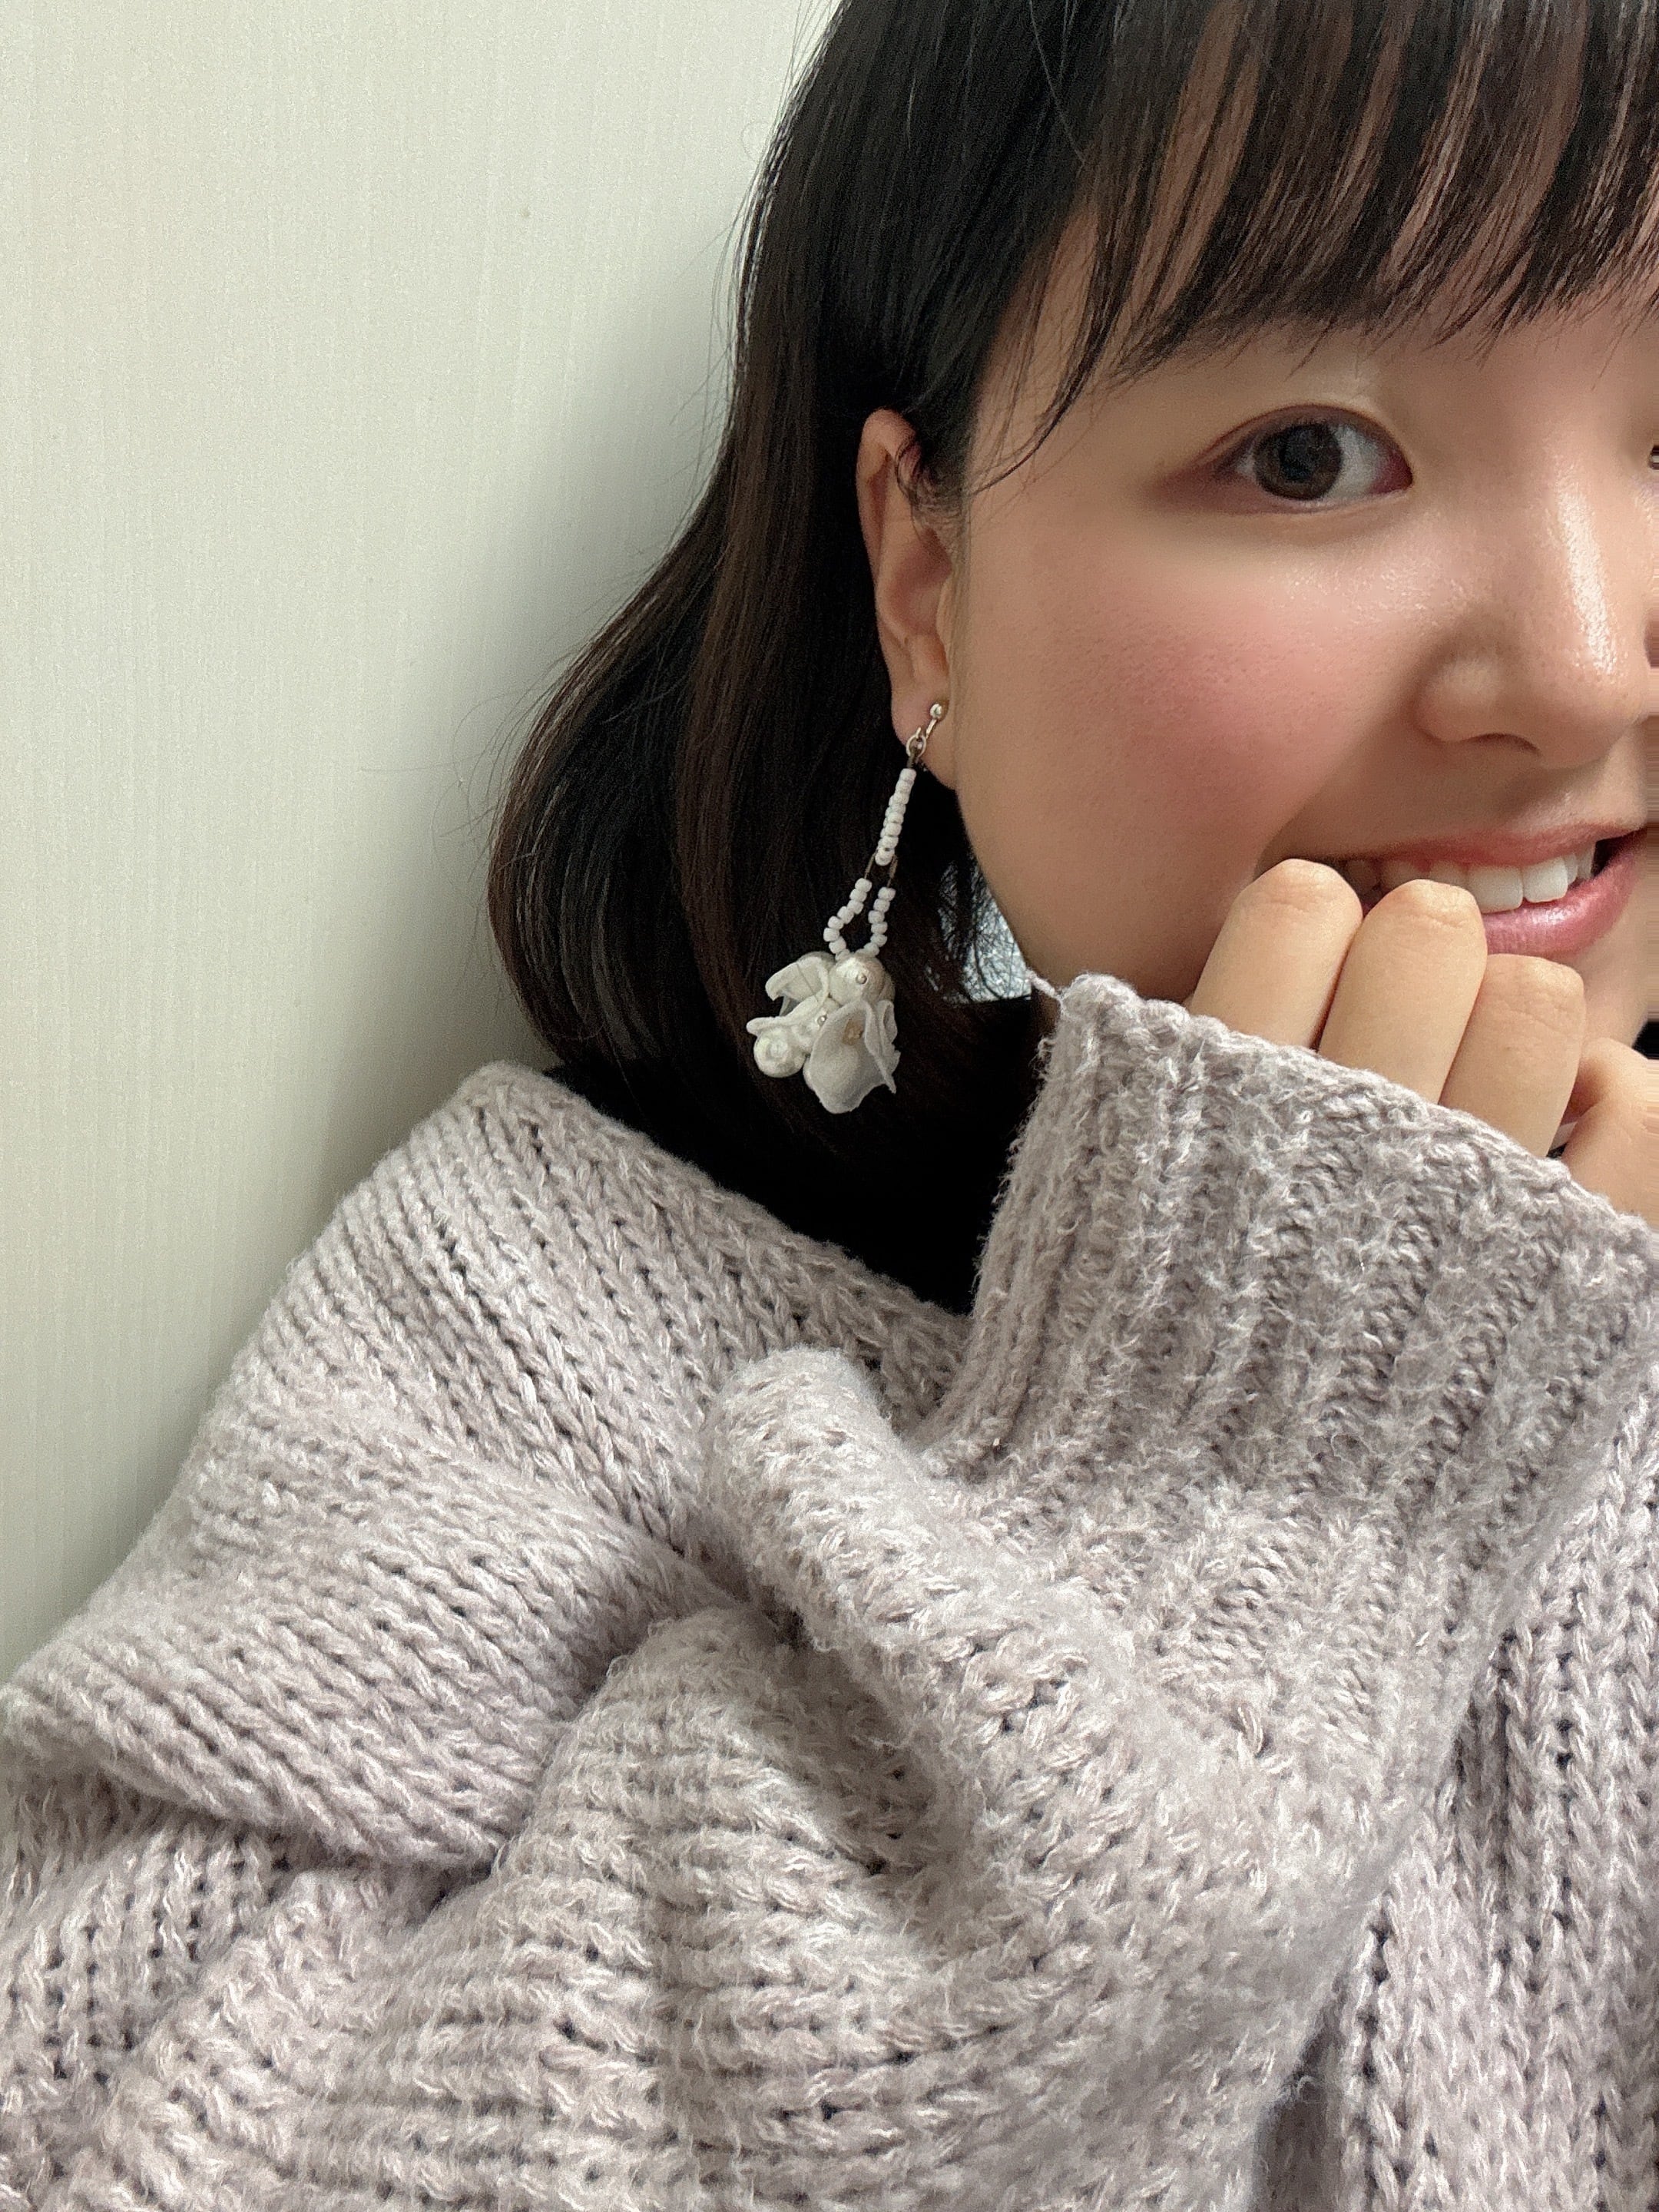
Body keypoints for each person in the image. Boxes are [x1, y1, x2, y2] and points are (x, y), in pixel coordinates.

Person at [2, 0, 1656, 2204]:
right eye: (1306, 456)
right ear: (928, 582)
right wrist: (1216, 1490)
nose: (1578, 665)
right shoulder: (527, 1323)